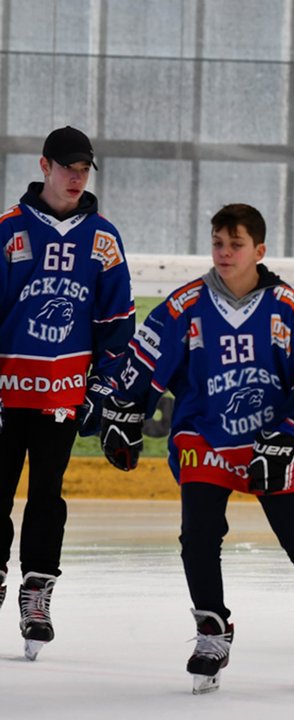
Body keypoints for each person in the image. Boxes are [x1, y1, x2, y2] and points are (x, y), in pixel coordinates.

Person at [99, 204, 294, 693]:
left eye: (236, 244)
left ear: (259, 251)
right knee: (199, 535)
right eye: (218, 243)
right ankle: (213, 629)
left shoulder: (286, 307)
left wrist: (291, 439)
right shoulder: (186, 305)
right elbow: (143, 361)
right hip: (204, 438)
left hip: (271, 440)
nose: (225, 253)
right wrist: (123, 412)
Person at [0, 126, 134, 661]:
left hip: (62, 394)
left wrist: (101, 387)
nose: (77, 176)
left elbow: (117, 323)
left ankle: (37, 590)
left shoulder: (102, 238)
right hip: (9, 392)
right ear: (44, 165)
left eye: (84, 168)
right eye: (68, 166)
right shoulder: (9, 231)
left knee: (47, 494)